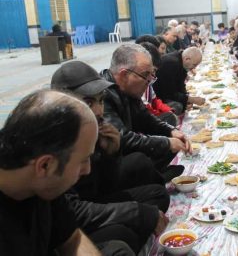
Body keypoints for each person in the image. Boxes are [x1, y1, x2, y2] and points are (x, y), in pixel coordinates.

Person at [51, 61, 170, 254]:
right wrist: (136, 213)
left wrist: (111, 155)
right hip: (74, 219)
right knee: (123, 234)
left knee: (156, 194)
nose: (98, 110)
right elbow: (69, 212)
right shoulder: (54, 142)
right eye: (89, 103)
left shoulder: (96, 125)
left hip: (90, 202)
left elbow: (105, 187)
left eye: (100, 100)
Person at [0, 90, 134, 255]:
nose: (87, 169)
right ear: (45, 165)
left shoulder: (46, 185)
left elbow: (71, 238)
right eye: (83, 160)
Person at [100, 44, 190, 174]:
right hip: (109, 163)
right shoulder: (103, 95)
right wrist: (166, 143)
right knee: (142, 160)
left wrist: (171, 131)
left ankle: (153, 174)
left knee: (171, 140)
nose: (149, 81)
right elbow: (121, 140)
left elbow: (145, 118)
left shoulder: (129, 89)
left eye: (151, 75)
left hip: (124, 152)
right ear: (124, 74)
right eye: (145, 75)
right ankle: (151, 177)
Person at [153, 47, 205, 114]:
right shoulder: (171, 63)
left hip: (168, 93)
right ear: (187, 59)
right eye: (194, 65)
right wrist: (190, 99)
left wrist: (187, 100)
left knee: (184, 102)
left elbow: (181, 85)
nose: (194, 68)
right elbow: (169, 92)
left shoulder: (181, 60)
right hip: (159, 98)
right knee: (178, 106)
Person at [139, 41, 178, 127]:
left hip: (151, 113)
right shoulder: (138, 85)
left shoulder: (148, 83)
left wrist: (169, 110)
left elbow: (155, 101)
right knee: (169, 117)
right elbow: (146, 112)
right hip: (144, 121)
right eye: (152, 71)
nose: (153, 76)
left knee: (174, 109)